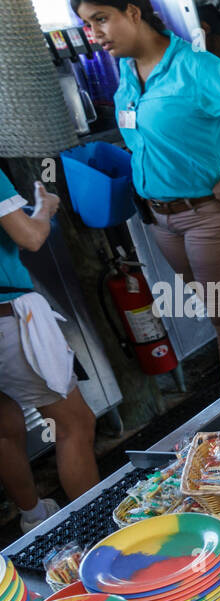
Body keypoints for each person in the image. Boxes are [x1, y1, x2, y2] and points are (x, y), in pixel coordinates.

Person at [75, 0, 220, 389]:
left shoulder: (196, 68)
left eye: (101, 19)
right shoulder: (128, 72)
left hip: (214, 215)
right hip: (165, 220)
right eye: (87, 24)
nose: (94, 33)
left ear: (133, 12)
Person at [1, 172, 100, 533]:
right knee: (74, 425)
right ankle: (100, 536)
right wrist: (44, 208)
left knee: (4, 427)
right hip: (6, 318)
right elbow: (29, 238)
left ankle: (34, 516)